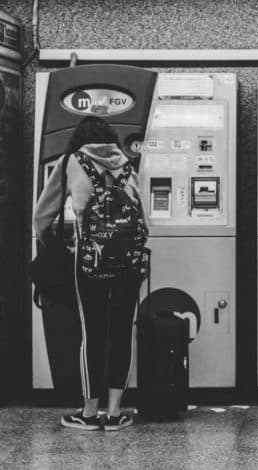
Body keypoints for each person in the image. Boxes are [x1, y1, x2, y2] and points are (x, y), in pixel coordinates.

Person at [34, 116, 147, 431]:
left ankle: (88, 412)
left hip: (90, 262)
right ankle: (114, 414)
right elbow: (143, 219)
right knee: (123, 331)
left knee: (93, 333)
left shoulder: (72, 161)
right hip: (130, 263)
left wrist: (51, 246)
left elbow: (42, 216)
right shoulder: (126, 164)